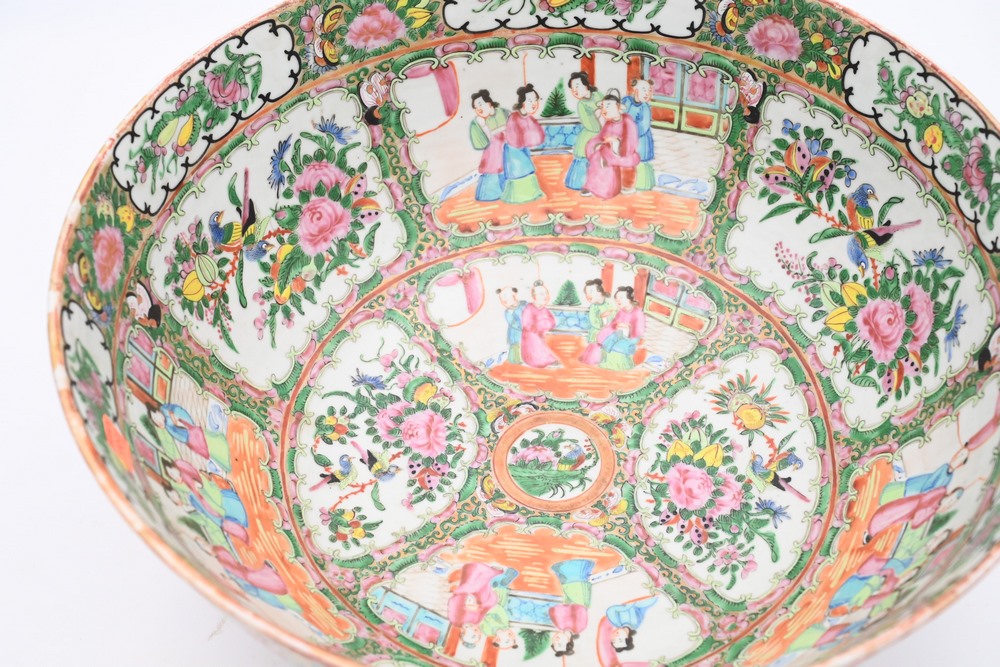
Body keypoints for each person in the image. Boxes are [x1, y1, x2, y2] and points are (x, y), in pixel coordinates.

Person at [583, 89, 641, 199]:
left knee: (610, 160)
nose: (605, 110)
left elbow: (631, 140)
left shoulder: (627, 121)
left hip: (624, 151)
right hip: (608, 150)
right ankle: (594, 186)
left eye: (608, 106)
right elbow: (602, 136)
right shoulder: (609, 123)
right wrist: (596, 144)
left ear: (618, 107)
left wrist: (617, 145)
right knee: (597, 157)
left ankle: (614, 188)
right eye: (603, 107)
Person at [501, 84, 546, 203]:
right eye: (530, 100)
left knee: (527, 171)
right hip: (513, 152)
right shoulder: (514, 117)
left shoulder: (529, 118)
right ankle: (519, 197)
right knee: (520, 172)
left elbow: (538, 136)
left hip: (522, 150)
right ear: (522, 102)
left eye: (535, 100)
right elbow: (513, 139)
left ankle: (531, 194)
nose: (534, 103)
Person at [549, 559, 594, 657]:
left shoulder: (560, 626)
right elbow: (580, 609)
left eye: (554, 644)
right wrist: (566, 609)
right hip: (579, 594)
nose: (556, 641)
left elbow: (553, 610)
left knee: (564, 581)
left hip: (569, 593)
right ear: (569, 641)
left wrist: (564, 609)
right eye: (560, 644)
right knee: (573, 578)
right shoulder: (579, 627)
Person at [565, 72, 602, 190]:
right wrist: (598, 112)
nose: (575, 90)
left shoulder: (597, 95)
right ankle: (583, 184)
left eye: (577, 86)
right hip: (589, 136)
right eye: (572, 88)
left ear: (586, 84)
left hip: (602, 133)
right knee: (584, 160)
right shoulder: (581, 104)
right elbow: (589, 124)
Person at [469, 90, 508, 201]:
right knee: (492, 170)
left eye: (480, 104)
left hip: (506, 149)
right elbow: (481, 143)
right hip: (492, 152)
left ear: (489, 103)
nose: (479, 108)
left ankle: (506, 191)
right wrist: (482, 126)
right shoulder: (478, 122)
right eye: (476, 107)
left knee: (506, 170)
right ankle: (490, 194)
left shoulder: (502, 112)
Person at [600, 287, 646, 370]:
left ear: (629, 299)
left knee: (617, 347)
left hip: (631, 337)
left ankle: (622, 366)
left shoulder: (638, 313)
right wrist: (606, 319)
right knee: (608, 342)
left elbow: (639, 332)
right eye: (616, 298)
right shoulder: (621, 311)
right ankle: (606, 363)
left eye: (621, 297)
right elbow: (613, 324)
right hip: (619, 334)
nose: (618, 300)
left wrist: (628, 329)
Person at [622, 78, 655, 192]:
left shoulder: (645, 107)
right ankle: (626, 183)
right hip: (626, 138)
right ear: (635, 89)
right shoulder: (626, 101)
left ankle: (642, 185)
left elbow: (644, 126)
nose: (647, 93)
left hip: (641, 140)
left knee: (641, 161)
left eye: (649, 90)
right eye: (644, 89)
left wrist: (630, 131)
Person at [520, 281, 559, 368]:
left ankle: (545, 359)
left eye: (546, 293)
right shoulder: (529, 308)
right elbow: (527, 325)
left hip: (540, 335)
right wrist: (541, 325)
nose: (545, 296)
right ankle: (539, 360)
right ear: (534, 297)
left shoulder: (544, 309)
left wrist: (544, 325)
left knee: (542, 344)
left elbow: (552, 322)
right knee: (535, 340)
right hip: (530, 338)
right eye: (542, 294)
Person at [579, 279, 615, 365]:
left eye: (591, 291)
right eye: (586, 293)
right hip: (598, 331)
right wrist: (603, 326)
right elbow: (594, 322)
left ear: (600, 292)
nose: (588, 295)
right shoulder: (593, 307)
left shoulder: (610, 303)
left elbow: (615, 315)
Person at [497, 287, 526, 364]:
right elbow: (513, 323)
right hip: (515, 334)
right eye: (503, 301)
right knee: (515, 348)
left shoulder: (524, 304)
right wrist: (524, 327)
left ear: (514, 296)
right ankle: (515, 361)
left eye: (506, 300)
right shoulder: (508, 311)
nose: (504, 303)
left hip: (528, 332)